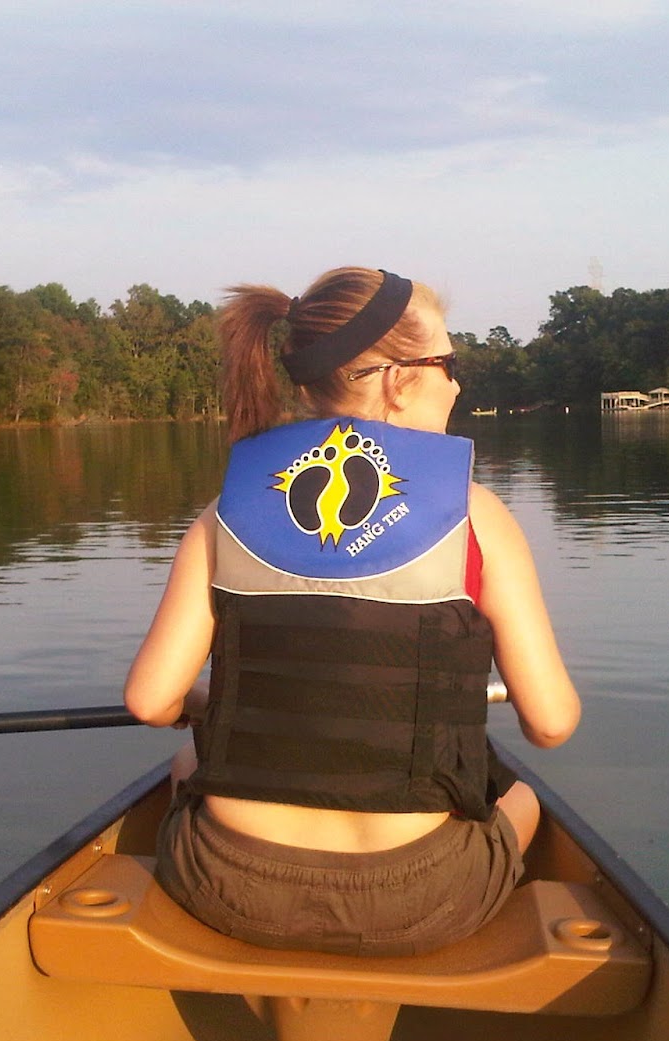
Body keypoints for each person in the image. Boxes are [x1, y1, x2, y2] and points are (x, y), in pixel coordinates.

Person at [125, 266, 579, 957]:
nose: (456, 383)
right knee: (524, 799)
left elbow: (150, 701)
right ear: (401, 379)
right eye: (447, 363)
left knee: (191, 761)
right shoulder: (478, 518)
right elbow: (550, 723)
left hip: (226, 883)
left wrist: (202, 704)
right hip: (420, 898)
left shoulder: (223, 515)